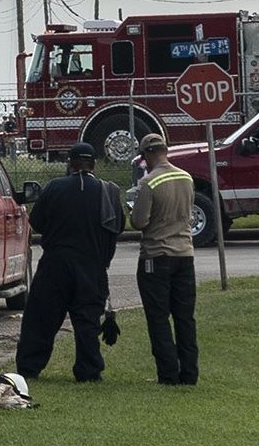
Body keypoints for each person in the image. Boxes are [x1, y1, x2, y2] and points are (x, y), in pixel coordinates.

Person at [15, 140, 121, 383]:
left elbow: (37, 222)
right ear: (93, 164)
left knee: (41, 318)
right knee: (87, 320)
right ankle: (89, 370)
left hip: (56, 263)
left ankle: (29, 367)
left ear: (70, 163)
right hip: (92, 264)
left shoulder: (54, 188)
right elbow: (115, 229)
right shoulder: (109, 191)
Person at [125, 130, 199, 385]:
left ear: (147, 154)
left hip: (156, 255)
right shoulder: (186, 177)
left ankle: (168, 373)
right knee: (184, 316)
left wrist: (132, 210)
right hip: (185, 253)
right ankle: (190, 373)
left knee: (158, 317)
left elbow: (139, 221)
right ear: (166, 150)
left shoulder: (149, 182)